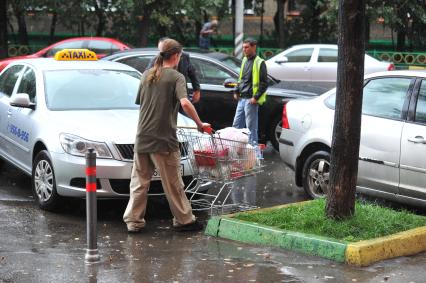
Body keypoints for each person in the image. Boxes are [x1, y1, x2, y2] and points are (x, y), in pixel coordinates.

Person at [123, 39, 210, 233]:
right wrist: (200, 124)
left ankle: (133, 221)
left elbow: (144, 104)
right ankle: (185, 220)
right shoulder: (176, 77)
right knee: (173, 183)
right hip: (163, 140)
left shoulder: (146, 75)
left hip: (142, 137)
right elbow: (186, 103)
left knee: (139, 183)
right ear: (177, 56)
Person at [232, 38, 268, 145]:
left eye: (246, 47)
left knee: (251, 129)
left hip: (251, 100)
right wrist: (236, 91)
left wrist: (255, 97)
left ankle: (253, 153)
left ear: (254, 47)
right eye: (243, 47)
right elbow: (241, 78)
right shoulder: (244, 60)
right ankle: (235, 149)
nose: (244, 50)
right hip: (242, 98)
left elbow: (264, 83)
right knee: (236, 126)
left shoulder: (259, 62)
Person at [147, 37, 201, 103]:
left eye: (164, 49)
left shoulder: (184, 57)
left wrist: (197, 90)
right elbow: (148, 78)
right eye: (160, 50)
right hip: (164, 98)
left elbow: (192, 73)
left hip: (182, 97)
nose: (162, 53)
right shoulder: (154, 61)